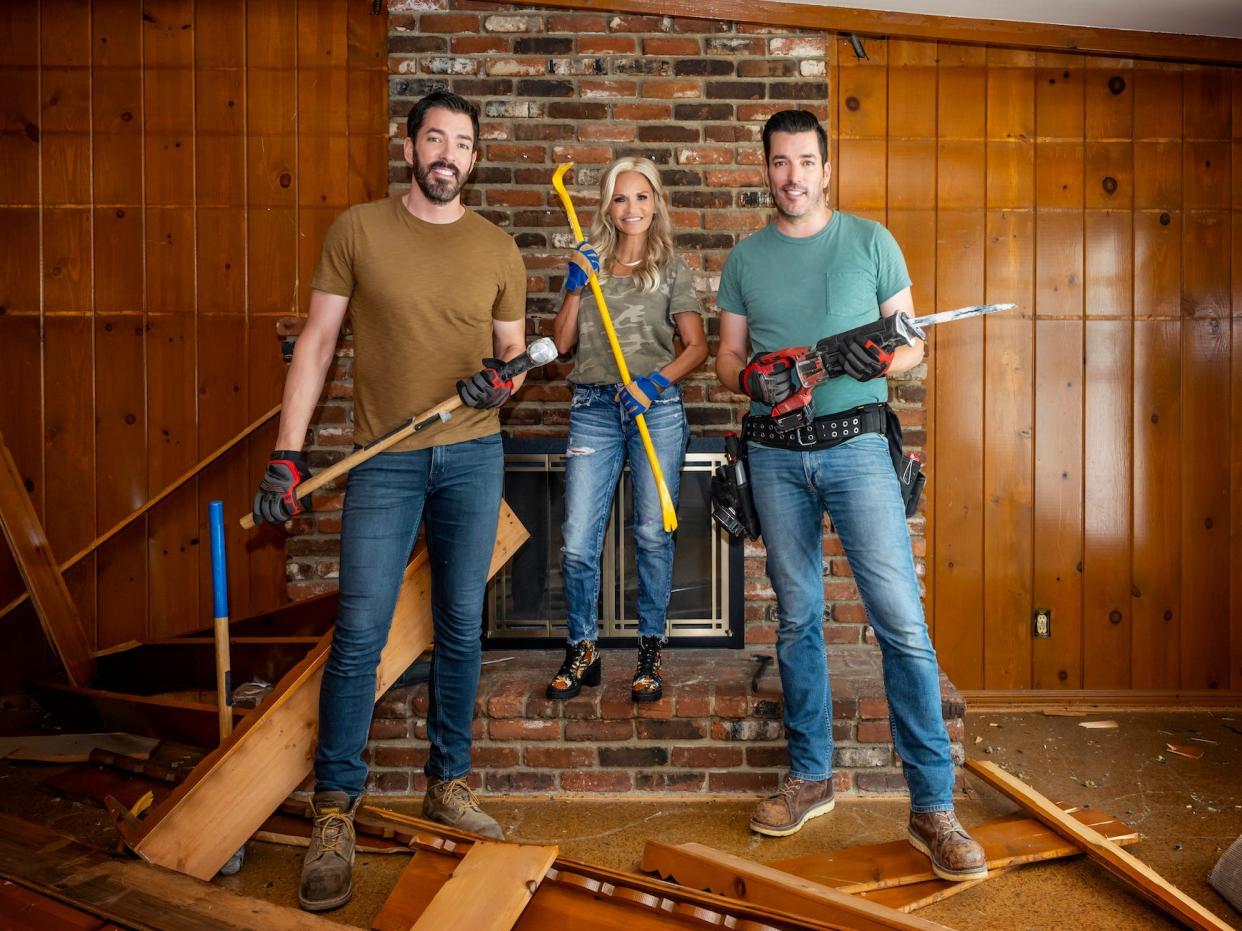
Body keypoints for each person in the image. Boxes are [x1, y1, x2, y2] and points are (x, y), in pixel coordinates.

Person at [250, 91, 528, 912]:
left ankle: (449, 781)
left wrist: (499, 382)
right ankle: (336, 807)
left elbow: (514, 359)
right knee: (361, 632)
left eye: (463, 143)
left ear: (475, 159)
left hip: (475, 454)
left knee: (459, 629)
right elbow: (319, 343)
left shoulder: (499, 248)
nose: (448, 153)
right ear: (409, 149)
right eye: (434, 138)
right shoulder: (358, 231)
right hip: (384, 462)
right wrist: (285, 458)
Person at [713, 109, 986, 882]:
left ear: (827, 169)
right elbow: (727, 360)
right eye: (779, 162)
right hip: (773, 451)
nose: (792, 175)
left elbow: (913, 347)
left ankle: (933, 807)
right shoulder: (745, 259)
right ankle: (811, 775)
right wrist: (752, 379)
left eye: (805, 161)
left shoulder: (872, 241)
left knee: (901, 623)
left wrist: (879, 357)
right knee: (797, 617)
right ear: (764, 169)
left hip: (860, 447)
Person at [546, 157, 708, 704]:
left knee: (650, 533)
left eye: (642, 197)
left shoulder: (672, 269)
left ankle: (650, 650)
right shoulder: (587, 263)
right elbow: (561, 347)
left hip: (654, 408)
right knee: (575, 542)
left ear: (656, 203)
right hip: (593, 405)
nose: (631, 209)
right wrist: (574, 287)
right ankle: (582, 649)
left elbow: (697, 347)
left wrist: (653, 383)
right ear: (607, 207)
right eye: (620, 198)